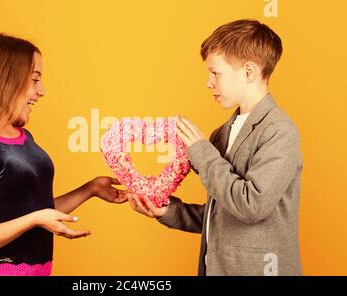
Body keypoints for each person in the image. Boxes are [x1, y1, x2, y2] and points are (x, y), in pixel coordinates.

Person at [0, 33, 128, 276]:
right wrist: (34, 219)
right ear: (4, 81)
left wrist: (90, 189)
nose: (41, 91)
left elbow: (39, 212)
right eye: (35, 80)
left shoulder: (25, 139)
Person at [127, 19, 303, 276]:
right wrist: (167, 211)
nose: (208, 83)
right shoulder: (222, 133)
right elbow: (221, 216)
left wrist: (201, 151)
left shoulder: (280, 131)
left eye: (215, 72)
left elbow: (250, 206)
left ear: (248, 72)